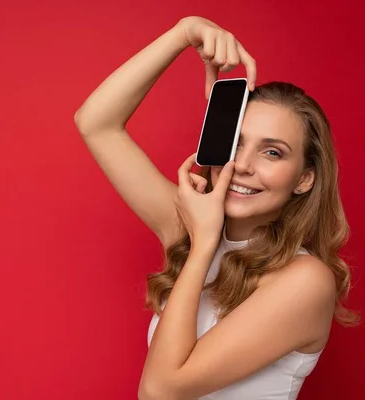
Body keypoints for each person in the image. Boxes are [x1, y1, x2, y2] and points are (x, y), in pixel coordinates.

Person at [73, 15, 359, 400]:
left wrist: (204, 243)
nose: (242, 165)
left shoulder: (306, 280)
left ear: (305, 178)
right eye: (236, 143)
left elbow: (160, 391)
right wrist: (183, 33)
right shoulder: (190, 228)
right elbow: (96, 122)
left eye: (272, 152)